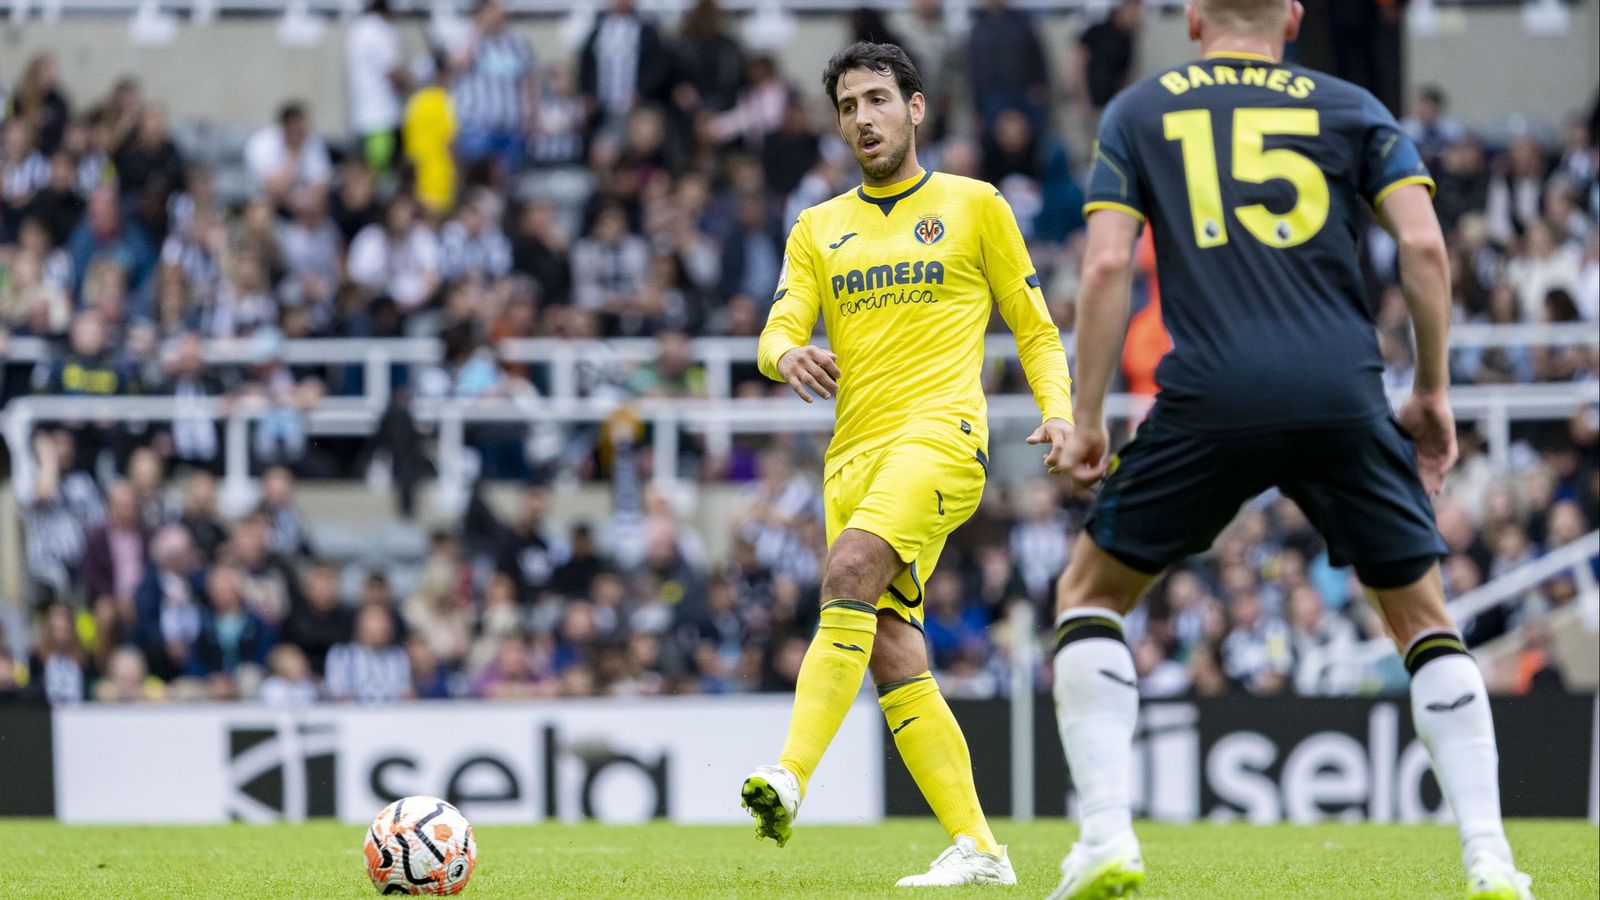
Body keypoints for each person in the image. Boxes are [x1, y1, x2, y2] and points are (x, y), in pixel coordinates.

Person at [1044, 2, 1529, 898]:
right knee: (1423, 619)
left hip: (1210, 391)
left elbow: (1107, 267)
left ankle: (1107, 834)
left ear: (1193, 19)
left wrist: (1088, 415)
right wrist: (1430, 390)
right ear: (1294, 17)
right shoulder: (1353, 108)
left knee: (1088, 596)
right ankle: (1491, 857)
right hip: (1341, 392)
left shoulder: (1141, 111)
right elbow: (1424, 245)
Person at [742, 41, 1074, 887]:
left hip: (941, 438)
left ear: (916, 107)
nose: (863, 118)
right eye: (848, 106)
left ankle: (789, 774)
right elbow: (777, 330)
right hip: (851, 456)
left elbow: (1033, 326)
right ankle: (981, 849)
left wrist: (1060, 411)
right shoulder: (818, 227)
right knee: (892, 649)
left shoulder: (974, 205)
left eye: (878, 100)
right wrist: (786, 358)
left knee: (847, 569)